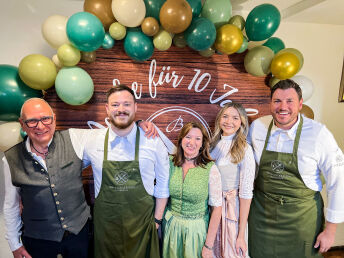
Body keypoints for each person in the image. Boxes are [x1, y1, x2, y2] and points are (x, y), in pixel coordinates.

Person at [248, 79, 344, 257]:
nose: (283, 107)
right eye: (277, 101)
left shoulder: (318, 134)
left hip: (302, 220)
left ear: (300, 104)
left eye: (289, 101)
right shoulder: (257, 128)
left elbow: (338, 181)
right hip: (261, 217)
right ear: (270, 103)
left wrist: (330, 230)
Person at [82, 85, 169, 258]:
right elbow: (68, 172)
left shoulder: (153, 141)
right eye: (115, 105)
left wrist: (157, 221)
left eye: (127, 104)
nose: (121, 109)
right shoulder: (92, 141)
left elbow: (163, 183)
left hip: (143, 228)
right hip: (106, 230)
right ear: (107, 109)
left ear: (135, 107)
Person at [3, 98, 90, 258]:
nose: (40, 126)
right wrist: (15, 244)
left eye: (45, 118)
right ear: (22, 124)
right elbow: (11, 205)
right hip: (38, 241)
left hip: (79, 236)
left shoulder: (74, 139)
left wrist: (140, 124)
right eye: (32, 121)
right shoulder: (10, 159)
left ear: (54, 118)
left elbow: (111, 134)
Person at [163, 122, 222, 258]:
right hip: (171, 228)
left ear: (202, 143)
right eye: (188, 137)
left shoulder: (210, 169)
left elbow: (217, 209)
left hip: (196, 231)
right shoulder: (169, 162)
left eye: (197, 139)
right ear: (181, 139)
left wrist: (208, 245)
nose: (192, 142)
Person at [210, 103, 255, 258]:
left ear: (241, 122)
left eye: (235, 118)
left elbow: (246, 193)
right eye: (225, 116)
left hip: (231, 211)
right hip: (211, 208)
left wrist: (241, 234)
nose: (229, 121)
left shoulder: (245, 149)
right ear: (219, 119)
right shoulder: (211, 145)